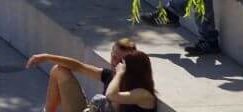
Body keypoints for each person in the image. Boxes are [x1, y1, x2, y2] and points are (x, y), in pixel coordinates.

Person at [27, 41, 156, 111]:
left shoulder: (143, 94)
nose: (114, 62)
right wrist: (46, 57)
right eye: (113, 55)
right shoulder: (110, 75)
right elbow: (78, 66)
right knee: (59, 70)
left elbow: (111, 95)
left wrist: (120, 73)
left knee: (100, 99)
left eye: (121, 60)